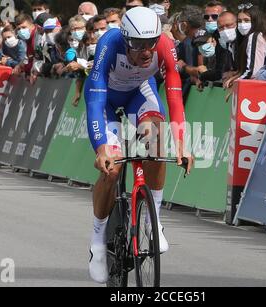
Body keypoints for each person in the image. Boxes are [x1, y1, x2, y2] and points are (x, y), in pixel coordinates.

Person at [84, 7, 193, 284]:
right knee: (111, 171)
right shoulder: (109, 43)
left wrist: (181, 142)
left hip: (139, 93)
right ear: (125, 38)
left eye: (151, 43)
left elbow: (174, 93)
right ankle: (97, 243)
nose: (146, 51)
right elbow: (96, 99)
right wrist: (101, 148)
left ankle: (151, 220)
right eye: (138, 44)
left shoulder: (165, 46)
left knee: (157, 140)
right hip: (105, 98)